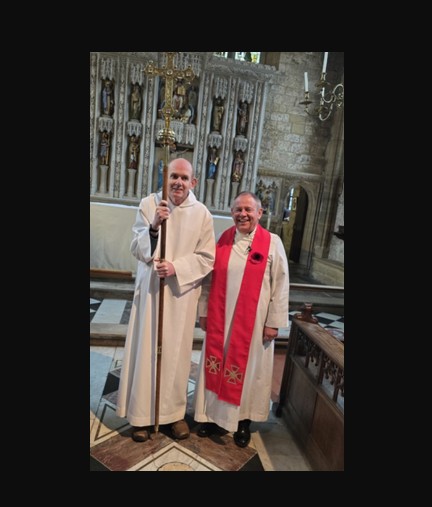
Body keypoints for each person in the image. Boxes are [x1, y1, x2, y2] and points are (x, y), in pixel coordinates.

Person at [116, 158, 216, 443]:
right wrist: (154, 226)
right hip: (150, 293)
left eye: (184, 178)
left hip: (180, 296)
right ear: (165, 178)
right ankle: (141, 416)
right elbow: (137, 249)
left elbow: (207, 257)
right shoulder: (149, 204)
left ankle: (172, 416)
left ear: (193, 182)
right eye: (174, 176)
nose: (178, 182)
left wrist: (176, 267)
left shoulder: (202, 214)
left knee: (176, 355)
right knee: (146, 350)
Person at [193, 191, 289, 448]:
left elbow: (281, 285)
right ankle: (212, 417)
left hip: (254, 324)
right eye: (238, 209)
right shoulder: (223, 240)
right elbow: (208, 280)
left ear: (260, 213)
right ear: (231, 212)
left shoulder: (272, 242)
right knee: (217, 364)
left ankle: (243, 421)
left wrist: (273, 321)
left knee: (249, 371)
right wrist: (204, 311)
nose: (242, 214)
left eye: (248, 210)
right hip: (221, 319)